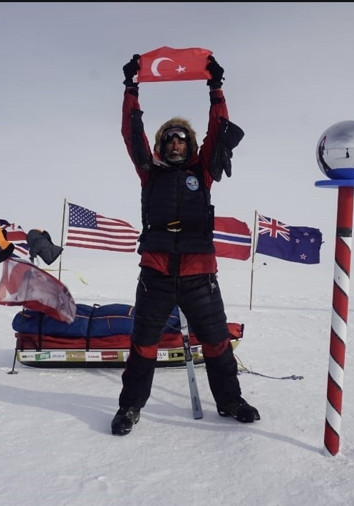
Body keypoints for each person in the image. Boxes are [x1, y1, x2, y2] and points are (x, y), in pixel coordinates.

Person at [111, 53, 259, 436]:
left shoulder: (202, 171)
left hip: (199, 276)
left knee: (216, 343)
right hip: (156, 274)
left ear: (190, 145)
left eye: (182, 138)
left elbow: (218, 128)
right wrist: (132, 89)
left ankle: (229, 401)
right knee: (144, 345)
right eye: (169, 138)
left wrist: (215, 88)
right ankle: (129, 407)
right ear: (162, 145)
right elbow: (132, 133)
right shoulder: (150, 172)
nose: (176, 142)